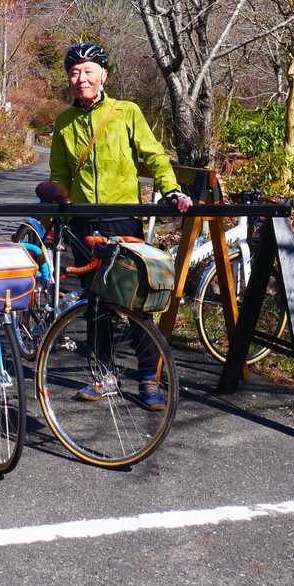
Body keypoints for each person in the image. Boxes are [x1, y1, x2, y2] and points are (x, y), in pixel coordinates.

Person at [48, 42, 192, 411]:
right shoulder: (64, 122)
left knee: (136, 299)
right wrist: (55, 214)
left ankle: (148, 379)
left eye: (88, 72)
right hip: (83, 223)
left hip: (122, 219)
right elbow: (59, 176)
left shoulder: (126, 112)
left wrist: (171, 188)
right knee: (95, 302)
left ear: (104, 76)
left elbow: (154, 154)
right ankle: (103, 375)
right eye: (75, 73)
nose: (81, 79)